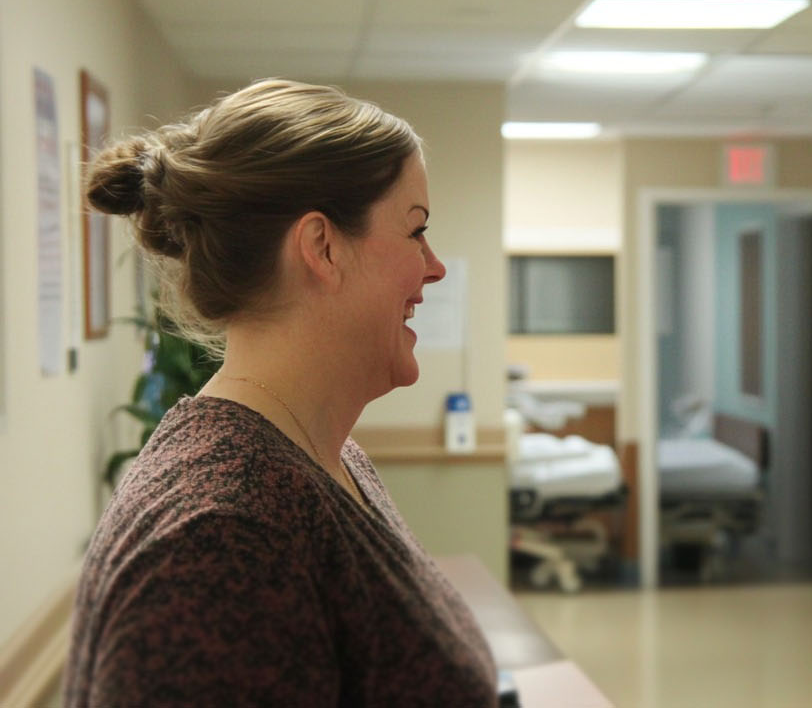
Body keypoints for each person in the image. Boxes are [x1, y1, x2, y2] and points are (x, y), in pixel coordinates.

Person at [64, 79, 497, 706]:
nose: (435, 266)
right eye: (414, 231)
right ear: (321, 247)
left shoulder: (323, 456)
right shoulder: (222, 540)